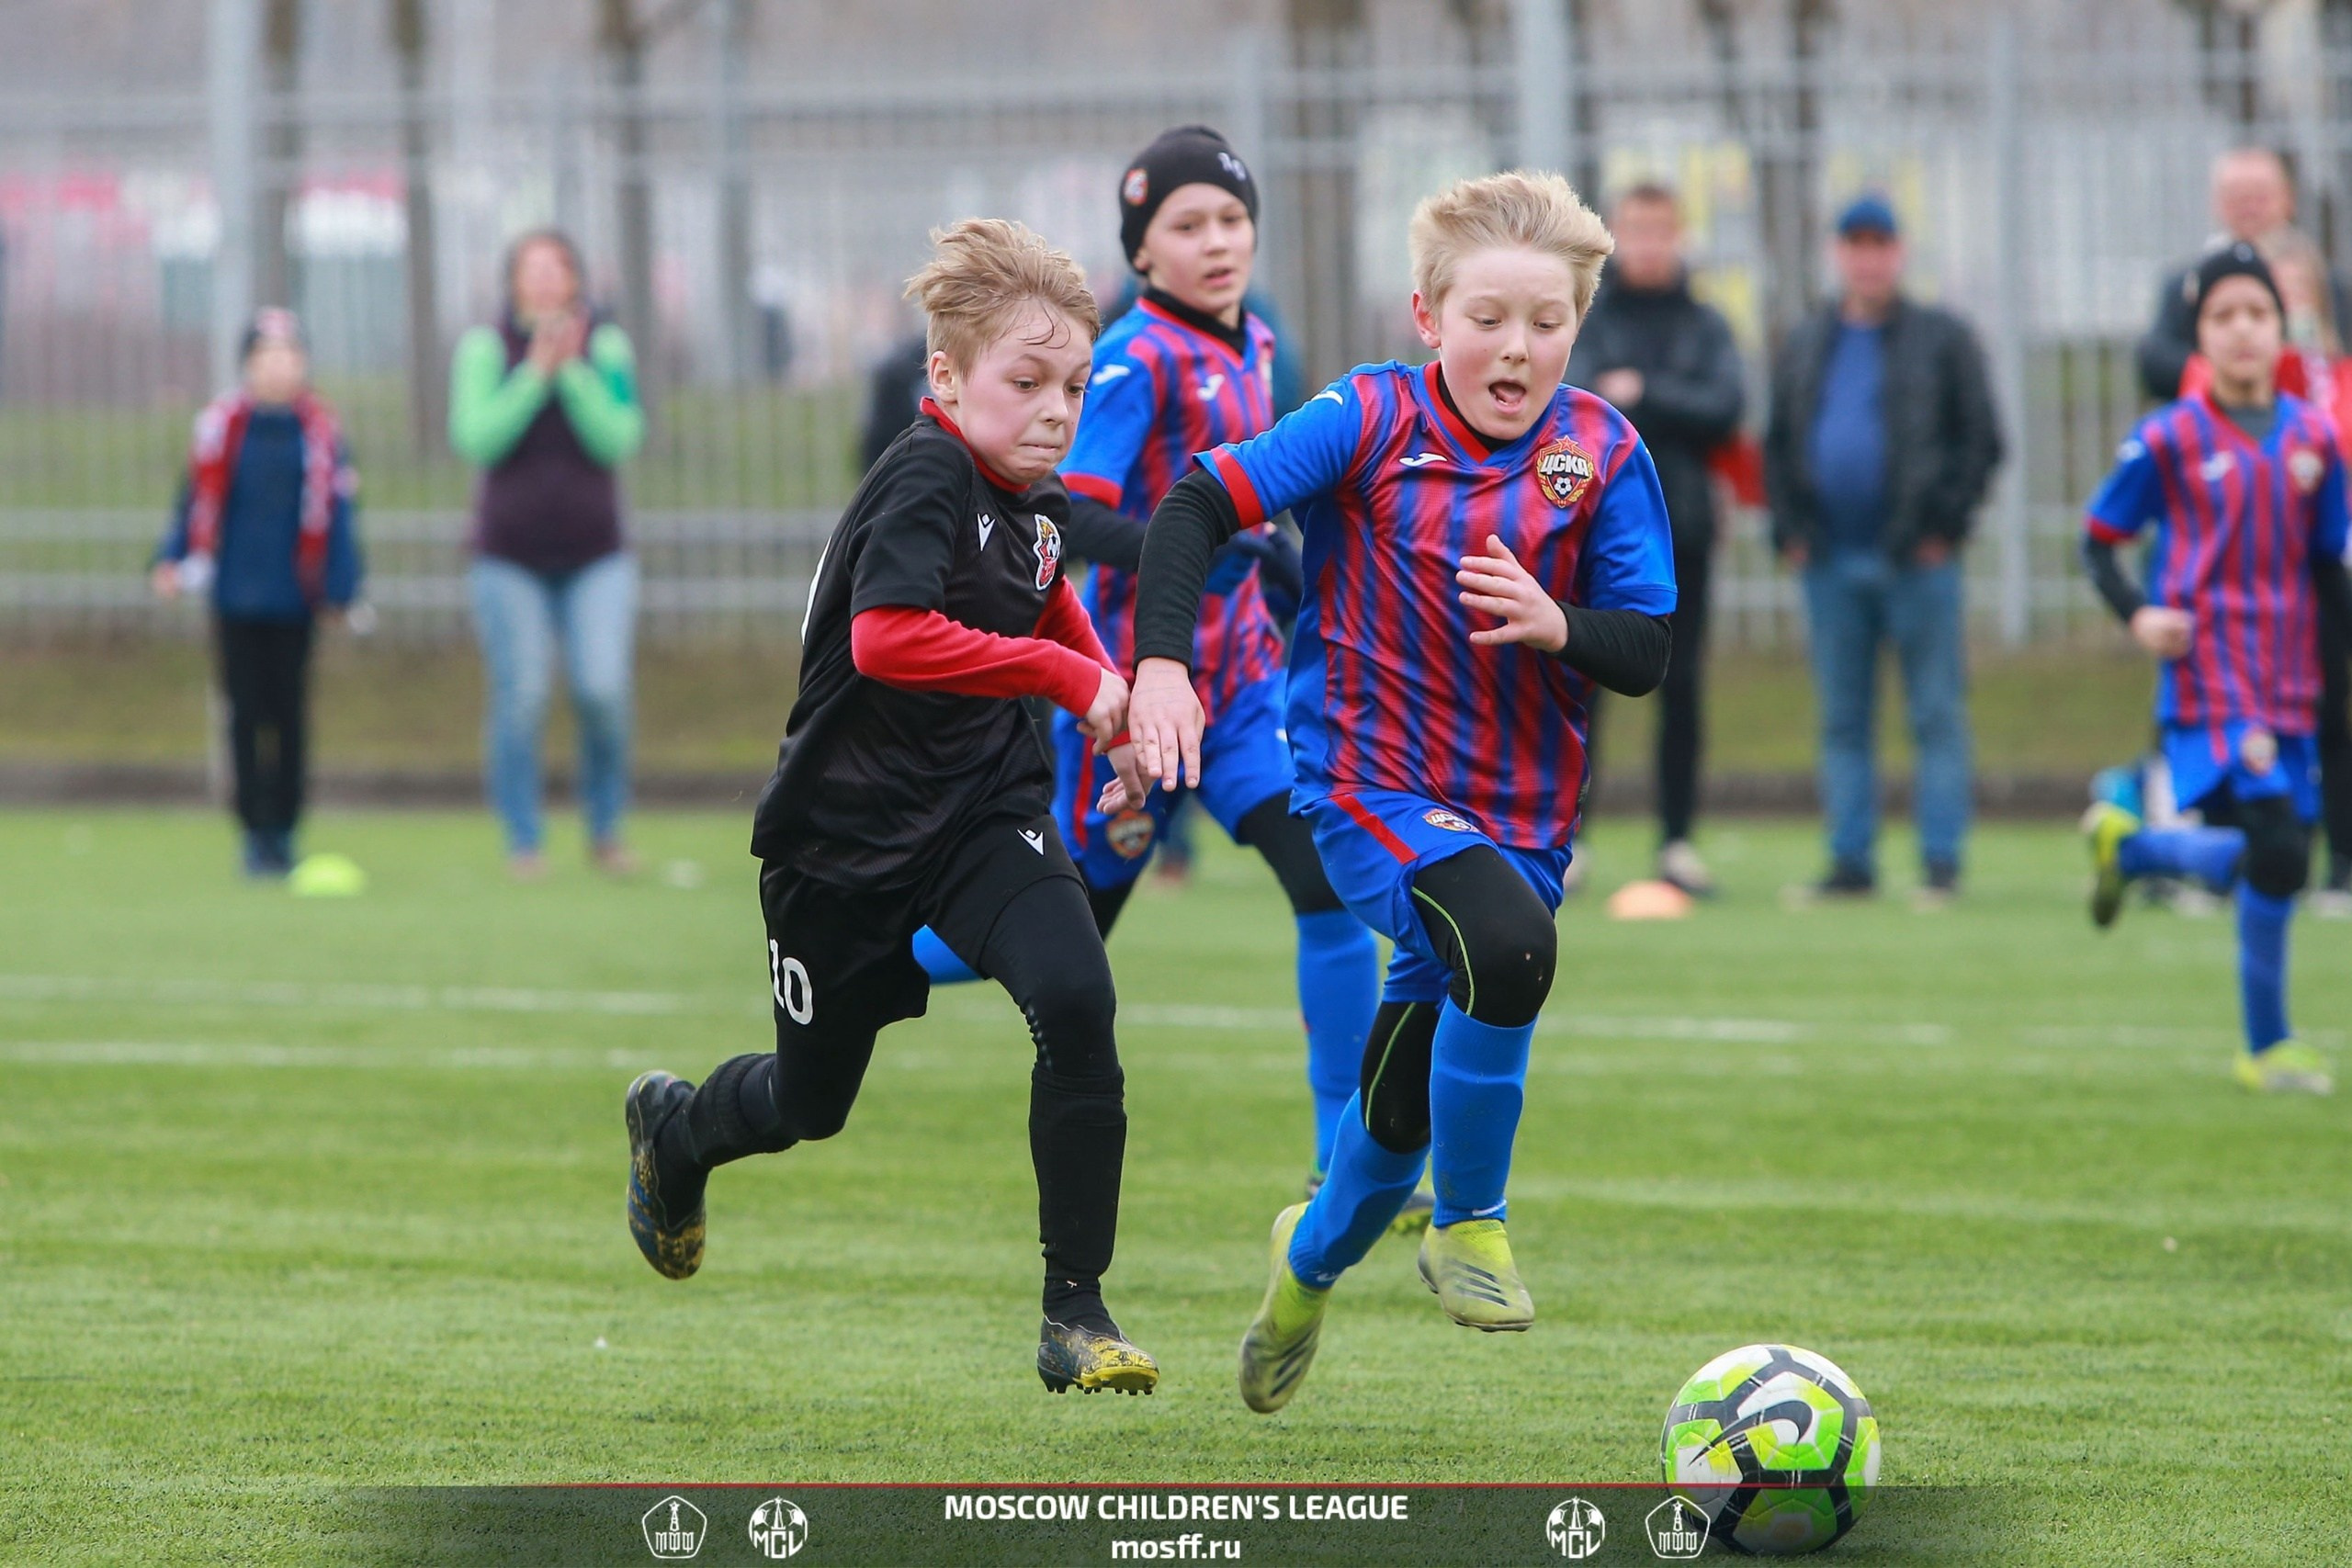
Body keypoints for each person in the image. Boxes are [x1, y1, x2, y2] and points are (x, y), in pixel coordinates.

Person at [1125, 170, 1676, 1411]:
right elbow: (1200, 501)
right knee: (1512, 945)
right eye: (1488, 316)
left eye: (1546, 320)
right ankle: (1470, 1222)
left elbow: (1647, 648)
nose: (1517, 345)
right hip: (1367, 788)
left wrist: (1559, 624)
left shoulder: (1602, 450)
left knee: (1389, 1125)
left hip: (1520, 822)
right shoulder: (1366, 419)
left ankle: (1305, 1267)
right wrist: (1161, 659)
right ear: (1429, 316)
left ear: (1577, 327)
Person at [622, 219, 1162, 1394]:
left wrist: (1102, 705)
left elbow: (1043, 592)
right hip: (840, 848)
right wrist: (1072, 681)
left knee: (1075, 994)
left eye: (1072, 384)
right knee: (808, 1105)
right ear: (946, 378)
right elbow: (889, 637)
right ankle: (678, 1132)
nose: (1054, 409)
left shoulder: (1033, 496)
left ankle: (1075, 1311)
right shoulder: (924, 471)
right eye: (1026, 382)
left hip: (980, 810)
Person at [907, 126, 1386, 1206]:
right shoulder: (1133, 357)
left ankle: (1344, 1160)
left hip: (1242, 690)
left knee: (1322, 882)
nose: (1216, 241)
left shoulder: (1255, 345)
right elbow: (1069, 508)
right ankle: (863, 948)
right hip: (1133, 695)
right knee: (1045, 924)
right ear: (1141, 252)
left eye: (1229, 218)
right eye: (1186, 225)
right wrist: (1208, 539)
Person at [2082, 243, 2346, 1097]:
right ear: (2200, 337)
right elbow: (2098, 541)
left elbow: (2328, 561)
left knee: (2277, 859)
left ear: (2284, 329)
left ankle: (2135, 848)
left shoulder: (2315, 439)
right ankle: (2267, 1047)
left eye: (2256, 314)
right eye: (2222, 317)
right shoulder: (2168, 437)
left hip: (2290, 682)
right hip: (2209, 681)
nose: (2241, 331)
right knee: (2276, 848)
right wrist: (2138, 612)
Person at [1764, 194, 2002, 905]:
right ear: (1838, 254)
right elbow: (1778, 445)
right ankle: (1850, 861)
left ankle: (1940, 860)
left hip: (1916, 561)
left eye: (1880, 244)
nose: (1867, 259)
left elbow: (1981, 441)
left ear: (1899, 253)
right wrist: (1793, 530)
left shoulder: (1943, 338)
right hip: (1831, 561)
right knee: (1842, 715)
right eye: (1854, 245)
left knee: (1933, 709)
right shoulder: (1807, 341)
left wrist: (1943, 527)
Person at [448, 230, 646, 878]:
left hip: (597, 556)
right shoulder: (484, 349)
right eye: (529, 269)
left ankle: (606, 830)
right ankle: (523, 840)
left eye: (555, 268)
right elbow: (478, 437)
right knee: (522, 694)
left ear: (575, 280)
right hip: (508, 558)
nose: (542, 281)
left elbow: (618, 437)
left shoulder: (607, 347)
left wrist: (573, 371)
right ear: (511, 283)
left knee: (601, 688)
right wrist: (534, 374)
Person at [1566, 180, 1745, 896]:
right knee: (1583, 681)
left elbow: (1725, 406)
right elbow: (1576, 398)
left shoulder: (1707, 325)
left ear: (1679, 236)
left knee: (1682, 686)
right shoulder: (1587, 317)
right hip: (1595, 530)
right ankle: (1569, 837)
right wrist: (1652, 399)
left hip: (1682, 531)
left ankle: (1676, 840)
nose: (1646, 244)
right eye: (1634, 229)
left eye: (1659, 230)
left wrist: (1643, 392)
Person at [152, 308, 363, 878]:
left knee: (288, 717)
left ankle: (286, 827)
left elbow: (340, 515)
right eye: (266, 357)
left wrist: (343, 586)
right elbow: (194, 503)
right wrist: (171, 559)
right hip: (236, 599)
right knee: (244, 718)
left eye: (289, 356)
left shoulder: (320, 435)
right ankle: (253, 831)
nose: (278, 368)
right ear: (247, 365)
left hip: (295, 601)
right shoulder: (220, 430)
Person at [2178, 228, 2352, 911]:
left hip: (2309, 576)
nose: (2250, 326)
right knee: (2224, 721)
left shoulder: (2327, 382)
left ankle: (2330, 857)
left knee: (2324, 714)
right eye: (2235, 311)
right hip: (2228, 590)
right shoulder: (2214, 386)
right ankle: (2205, 854)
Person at [2136, 147, 2352, 403]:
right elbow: (2155, 361)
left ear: (2288, 199)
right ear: (2216, 203)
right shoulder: (2185, 283)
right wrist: (2229, 371)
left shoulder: (2324, 281)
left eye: (2260, 197)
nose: (2249, 207)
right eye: (2237, 197)